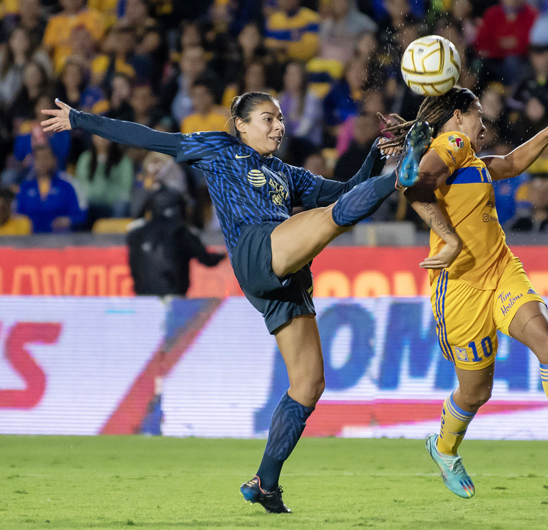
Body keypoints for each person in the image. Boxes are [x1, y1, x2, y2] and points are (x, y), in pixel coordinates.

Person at [41, 91, 430, 513]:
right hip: (257, 249)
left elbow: (351, 191)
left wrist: (375, 153)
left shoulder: (287, 173)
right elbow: (149, 137)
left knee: (308, 385)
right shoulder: (218, 148)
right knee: (325, 222)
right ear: (241, 124)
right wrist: (80, 119)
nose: (278, 127)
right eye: (268, 118)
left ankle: (266, 482)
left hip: (288, 277)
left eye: (281, 119)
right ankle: (402, 177)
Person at [379, 87, 548, 499]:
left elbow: (511, 163)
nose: (483, 125)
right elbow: (420, 184)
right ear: (458, 116)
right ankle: (443, 448)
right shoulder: (453, 143)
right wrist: (444, 230)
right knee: (476, 392)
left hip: (501, 269)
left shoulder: (470, 160)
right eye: (477, 116)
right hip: (460, 287)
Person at [127, 188, 226, 296]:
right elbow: (207, 260)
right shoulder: (182, 232)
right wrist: (224, 255)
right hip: (174, 298)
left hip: (142, 299)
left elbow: (133, 268)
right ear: (179, 208)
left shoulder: (136, 234)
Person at [16, 141, 86, 233]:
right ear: (34, 161)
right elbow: (17, 215)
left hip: (61, 239)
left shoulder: (67, 186)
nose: (42, 162)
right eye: (39, 158)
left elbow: (80, 215)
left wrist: (68, 220)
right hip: (30, 240)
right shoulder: (25, 187)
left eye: (46, 157)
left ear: (54, 159)